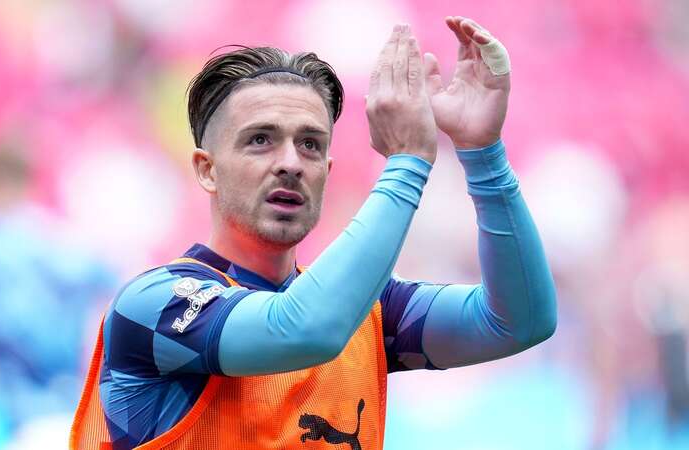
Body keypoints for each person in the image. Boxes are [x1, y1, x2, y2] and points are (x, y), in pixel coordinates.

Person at [71, 16, 557, 450]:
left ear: (326, 168)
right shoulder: (155, 306)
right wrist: (406, 163)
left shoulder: (368, 314)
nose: (290, 163)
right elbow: (304, 330)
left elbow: (521, 321)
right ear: (207, 170)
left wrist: (483, 153)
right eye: (260, 140)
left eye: (309, 144)